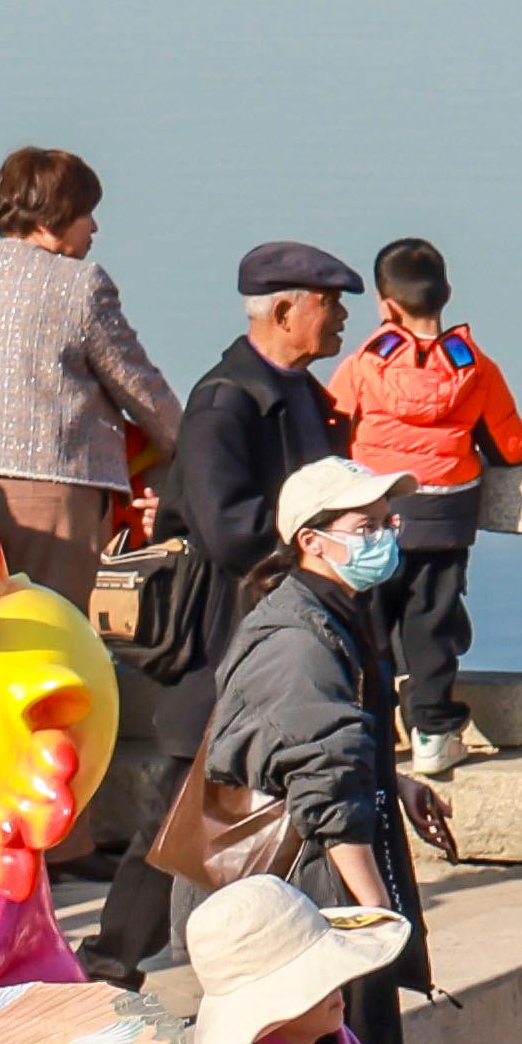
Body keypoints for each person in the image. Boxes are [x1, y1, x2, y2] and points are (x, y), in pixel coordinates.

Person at [188, 469, 451, 1044]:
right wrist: (376, 909)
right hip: (313, 889)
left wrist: (396, 783)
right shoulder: (298, 639)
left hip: (324, 871)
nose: (385, 537)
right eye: (366, 527)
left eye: (389, 522)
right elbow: (324, 786)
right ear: (311, 541)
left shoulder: (335, 611)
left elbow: (327, 740)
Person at [319, 241, 522, 771]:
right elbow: (508, 445)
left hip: (373, 518)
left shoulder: (361, 366)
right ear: (445, 295)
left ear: (386, 306)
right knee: (433, 624)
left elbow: (333, 427)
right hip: (444, 519)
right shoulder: (477, 368)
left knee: (366, 624)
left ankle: (366, 724)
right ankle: (432, 733)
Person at [0, 143, 181, 599]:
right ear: (51, 217)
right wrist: (185, 443)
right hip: (54, 488)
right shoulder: (79, 284)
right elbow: (138, 386)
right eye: (86, 213)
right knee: (52, 630)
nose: (94, 227)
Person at [151, 240, 361, 712]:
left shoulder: (305, 393)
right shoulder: (223, 403)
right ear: (285, 312)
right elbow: (230, 533)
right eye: (329, 303)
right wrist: (322, 547)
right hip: (229, 642)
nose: (343, 317)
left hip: (289, 632)